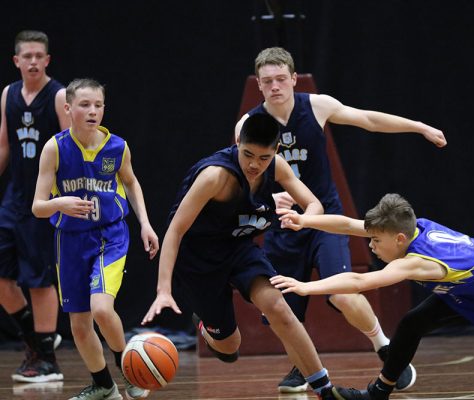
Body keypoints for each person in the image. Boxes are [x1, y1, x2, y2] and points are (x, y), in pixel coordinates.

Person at [235, 46, 447, 392]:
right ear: (258, 85)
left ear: (292, 79)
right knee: (282, 311)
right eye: (267, 81)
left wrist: (419, 127)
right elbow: (242, 176)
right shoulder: (249, 125)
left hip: (325, 220)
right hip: (284, 226)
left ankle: (385, 347)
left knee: (343, 293)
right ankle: (303, 366)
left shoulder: (316, 106)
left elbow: (369, 120)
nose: (274, 86)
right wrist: (269, 197)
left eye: (280, 79)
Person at [272, 193, 474, 399]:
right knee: (414, 323)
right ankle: (379, 392)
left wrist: (306, 287)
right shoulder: (413, 228)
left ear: (399, 238)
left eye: (376, 242)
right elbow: (348, 224)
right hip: (469, 290)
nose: (371, 247)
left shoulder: (419, 262)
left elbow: (360, 279)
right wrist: (306, 220)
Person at [142, 113, 338, 399]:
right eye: (248, 155)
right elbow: (175, 232)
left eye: (264, 157)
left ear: (276, 152)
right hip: (199, 258)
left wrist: (304, 219)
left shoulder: (276, 167)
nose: (255, 164)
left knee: (279, 307)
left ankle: (325, 389)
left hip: (239, 248)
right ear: (237, 143)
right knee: (229, 349)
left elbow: (315, 204)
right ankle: (206, 324)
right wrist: (163, 290)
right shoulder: (215, 176)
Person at [32, 78, 160, 400]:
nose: (92, 111)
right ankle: (104, 385)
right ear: (68, 108)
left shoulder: (117, 146)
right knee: (78, 324)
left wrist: (145, 223)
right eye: (85, 105)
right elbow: (37, 207)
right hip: (70, 241)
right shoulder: (55, 148)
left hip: (110, 236)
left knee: (101, 309)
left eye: (98, 105)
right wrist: (59, 203)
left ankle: (130, 369)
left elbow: (131, 184)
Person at [0, 30, 70, 383]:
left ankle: (47, 360)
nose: (32, 61)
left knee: (39, 281)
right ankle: (35, 338)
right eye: (25, 56)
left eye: (38, 56)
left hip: (44, 202)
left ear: (47, 60)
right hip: (13, 199)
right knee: (2, 277)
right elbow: (4, 147)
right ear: (16, 61)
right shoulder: (8, 95)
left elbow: (71, 151)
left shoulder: (58, 96)